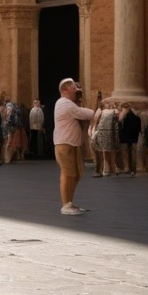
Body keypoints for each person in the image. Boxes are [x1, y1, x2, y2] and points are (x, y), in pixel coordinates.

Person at [53, 78, 95, 215]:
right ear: (64, 90)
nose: (76, 89)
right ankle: (65, 205)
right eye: (73, 87)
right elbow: (87, 114)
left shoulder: (70, 103)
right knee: (67, 173)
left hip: (71, 144)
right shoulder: (65, 104)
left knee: (75, 174)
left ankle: (69, 203)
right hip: (65, 144)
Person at [118, 103, 142, 176]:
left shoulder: (122, 117)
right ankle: (133, 168)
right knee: (133, 153)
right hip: (134, 138)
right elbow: (139, 128)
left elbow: (120, 128)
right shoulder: (136, 117)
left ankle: (126, 167)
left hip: (124, 138)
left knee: (125, 153)